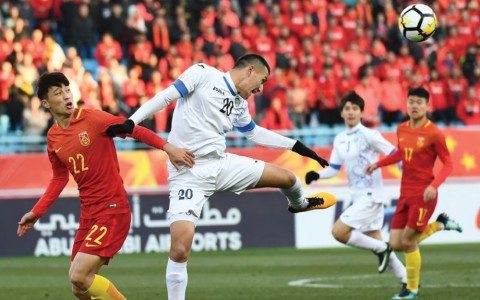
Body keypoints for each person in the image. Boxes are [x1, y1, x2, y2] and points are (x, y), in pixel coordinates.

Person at [106, 53, 336, 300]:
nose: (261, 89)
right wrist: (131, 122)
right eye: (262, 80)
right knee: (180, 249)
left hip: (221, 165)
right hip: (188, 173)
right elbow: (165, 97)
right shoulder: (203, 74)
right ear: (249, 70)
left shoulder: (239, 104)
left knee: (289, 178)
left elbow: (255, 134)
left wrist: (300, 147)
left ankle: (299, 204)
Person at [17, 72, 195, 300]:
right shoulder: (53, 137)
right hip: (88, 214)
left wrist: (169, 148)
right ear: (45, 103)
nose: (66, 96)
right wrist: (36, 212)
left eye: (67, 90)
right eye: (58, 93)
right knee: (79, 287)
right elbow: (59, 178)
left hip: (112, 209)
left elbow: (133, 129)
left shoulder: (93, 119)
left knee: (79, 276)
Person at [366, 87, 462, 300]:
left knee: (408, 242)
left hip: (424, 193)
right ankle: (440, 224)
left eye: (419, 102)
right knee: (397, 243)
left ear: (428, 106)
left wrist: (433, 186)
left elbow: (448, 164)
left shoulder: (434, 133)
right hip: (405, 192)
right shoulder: (402, 128)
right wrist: (378, 164)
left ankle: (412, 289)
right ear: (406, 104)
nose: (415, 106)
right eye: (411, 101)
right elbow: (401, 153)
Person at [305, 91, 407, 284]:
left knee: (339, 232)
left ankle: (383, 250)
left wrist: (406, 171)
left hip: (371, 195)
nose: (351, 112)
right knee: (375, 240)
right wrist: (317, 175)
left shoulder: (370, 135)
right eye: (347, 108)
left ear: (361, 112)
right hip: (357, 196)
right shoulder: (340, 139)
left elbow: (394, 153)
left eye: (355, 108)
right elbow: (334, 169)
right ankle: (408, 281)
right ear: (341, 113)